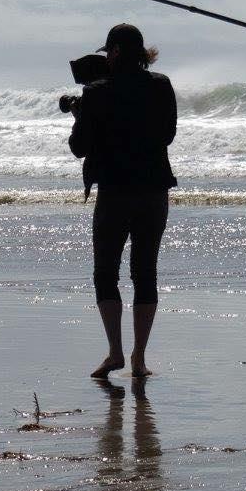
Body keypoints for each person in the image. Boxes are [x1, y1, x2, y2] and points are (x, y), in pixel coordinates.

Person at [67, 22, 177, 380]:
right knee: (145, 273)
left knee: (106, 273)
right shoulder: (161, 86)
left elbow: (79, 147)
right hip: (153, 190)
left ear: (113, 52)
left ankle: (114, 351)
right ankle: (139, 358)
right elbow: (168, 134)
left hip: (114, 192)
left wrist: (81, 113)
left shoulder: (98, 92)